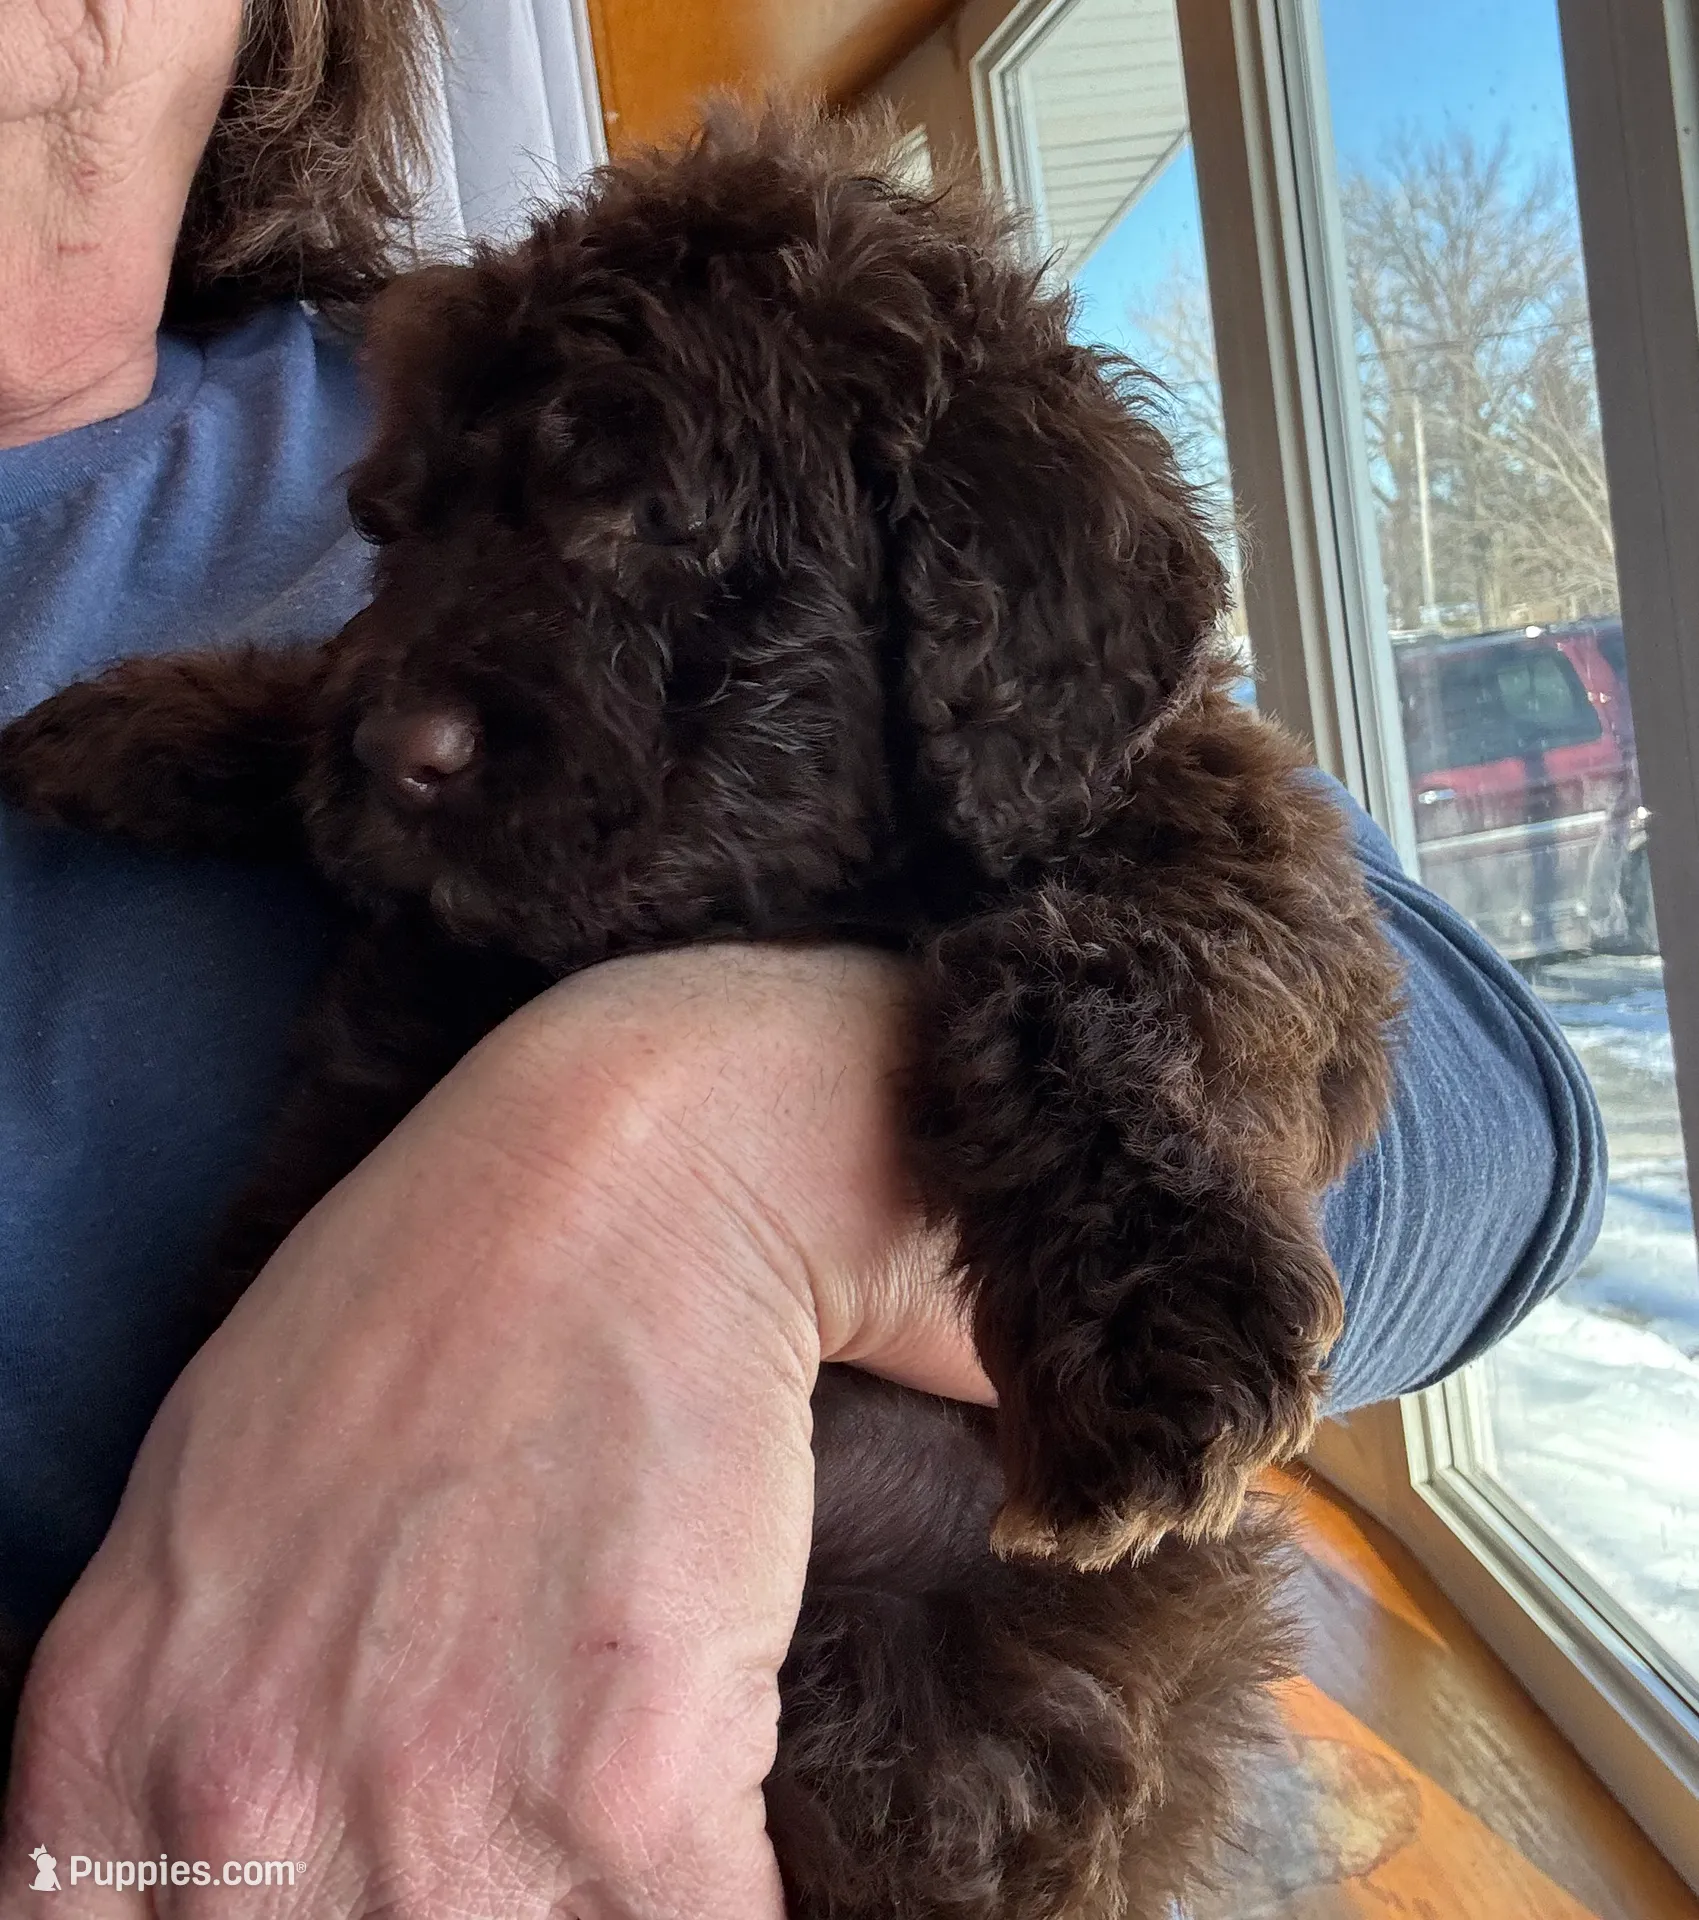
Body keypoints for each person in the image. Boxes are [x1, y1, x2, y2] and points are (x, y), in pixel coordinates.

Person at [0, 0, 1604, 1909]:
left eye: (627, 525)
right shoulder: (471, 460)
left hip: (888, 1782)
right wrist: (233, 743)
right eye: (410, 547)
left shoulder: (442, 372)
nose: (412, 704)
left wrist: (705, 1161)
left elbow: (1484, 1113)